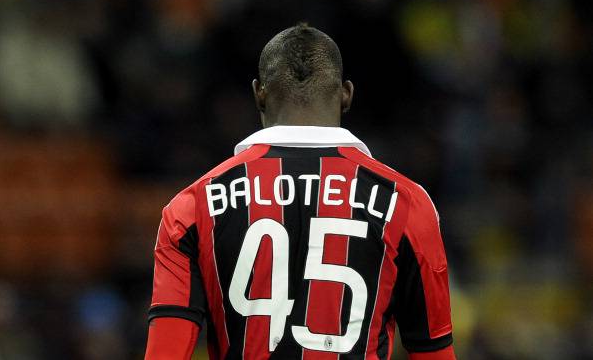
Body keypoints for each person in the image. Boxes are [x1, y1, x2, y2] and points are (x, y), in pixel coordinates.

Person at [145, 24, 456, 360]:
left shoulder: (193, 207)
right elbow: (434, 352)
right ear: (346, 94)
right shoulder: (406, 203)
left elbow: (165, 353)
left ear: (258, 94)